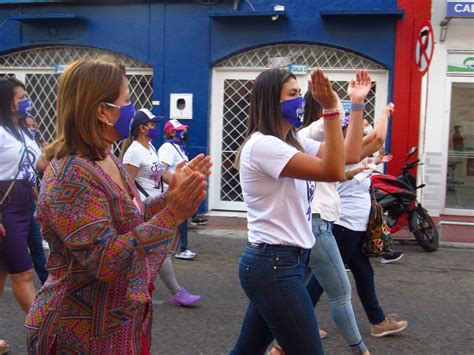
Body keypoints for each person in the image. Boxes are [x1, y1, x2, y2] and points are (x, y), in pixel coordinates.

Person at [24, 58, 211, 353]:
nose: (133, 110)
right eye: (127, 101)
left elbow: (128, 216)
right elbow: (105, 259)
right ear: (102, 111)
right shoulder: (71, 174)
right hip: (79, 332)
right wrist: (173, 213)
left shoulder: (107, 157)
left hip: (115, 323)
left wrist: (173, 195)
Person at [230, 68, 345, 355]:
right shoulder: (265, 145)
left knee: (246, 351)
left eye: (300, 93)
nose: (301, 100)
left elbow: (347, 156)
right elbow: (333, 171)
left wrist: (355, 106)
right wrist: (330, 109)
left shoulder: (290, 142)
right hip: (273, 265)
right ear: (272, 101)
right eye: (293, 94)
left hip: (282, 263)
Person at [327, 103, 408, 338]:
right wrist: (384, 114)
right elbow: (377, 139)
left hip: (354, 226)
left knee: (363, 273)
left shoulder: (356, 152)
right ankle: (295, 326)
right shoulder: (343, 152)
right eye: (352, 128)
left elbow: (378, 146)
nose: (359, 132)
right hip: (344, 225)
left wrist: (369, 128)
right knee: (324, 278)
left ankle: (378, 321)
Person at [122, 108, 201, 306]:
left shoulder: (150, 148)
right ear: (142, 128)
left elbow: (162, 175)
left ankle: (137, 287)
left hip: (156, 204)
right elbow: (126, 185)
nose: (155, 128)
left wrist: (182, 183)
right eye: (152, 124)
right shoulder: (133, 152)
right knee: (158, 249)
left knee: (153, 250)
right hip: (144, 208)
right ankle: (176, 292)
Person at [0, 78, 48, 327]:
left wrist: (52, 151)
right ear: (8, 103)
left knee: (2, 273)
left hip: (26, 203)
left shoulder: (24, 132)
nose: (26, 102)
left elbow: (38, 165)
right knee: (23, 273)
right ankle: (47, 334)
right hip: (5, 207)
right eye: (21, 98)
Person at [158, 119, 197, 260]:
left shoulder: (178, 146)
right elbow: (161, 170)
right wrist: (176, 184)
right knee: (179, 219)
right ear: (172, 132)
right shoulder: (168, 148)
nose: (184, 132)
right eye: (180, 129)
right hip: (172, 189)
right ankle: (181, 249)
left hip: (181, 188)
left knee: (181, 219)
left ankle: (174, 250)